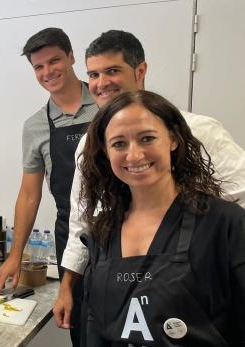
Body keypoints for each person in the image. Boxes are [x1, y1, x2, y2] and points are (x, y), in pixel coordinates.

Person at [54, 30, 245, 333]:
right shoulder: (89, 148)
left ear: (140, 70)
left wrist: (205, 253)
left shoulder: (201, 130)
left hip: (192, 288)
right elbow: (82, 221)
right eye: (93, 74)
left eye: (113, 70)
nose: (102, 83)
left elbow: (240, 198)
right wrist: (67, 286)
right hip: (117, 281)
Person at [79, 90, 245, 346]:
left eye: (147, 138)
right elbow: (95, 326)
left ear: (173, 140)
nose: (134, 155)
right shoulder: (102, 230)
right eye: (119, 143)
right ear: (106, 151)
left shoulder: (226, 224)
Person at [0, 27, 98, 346]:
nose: (47, 72)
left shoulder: (107, 103)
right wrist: (15, 254)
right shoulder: (36, 125)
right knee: (82, 328)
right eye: (38, 67)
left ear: (71, 57)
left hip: (123, 231)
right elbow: (29, 194)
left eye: (54, 61)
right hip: (72, 234)